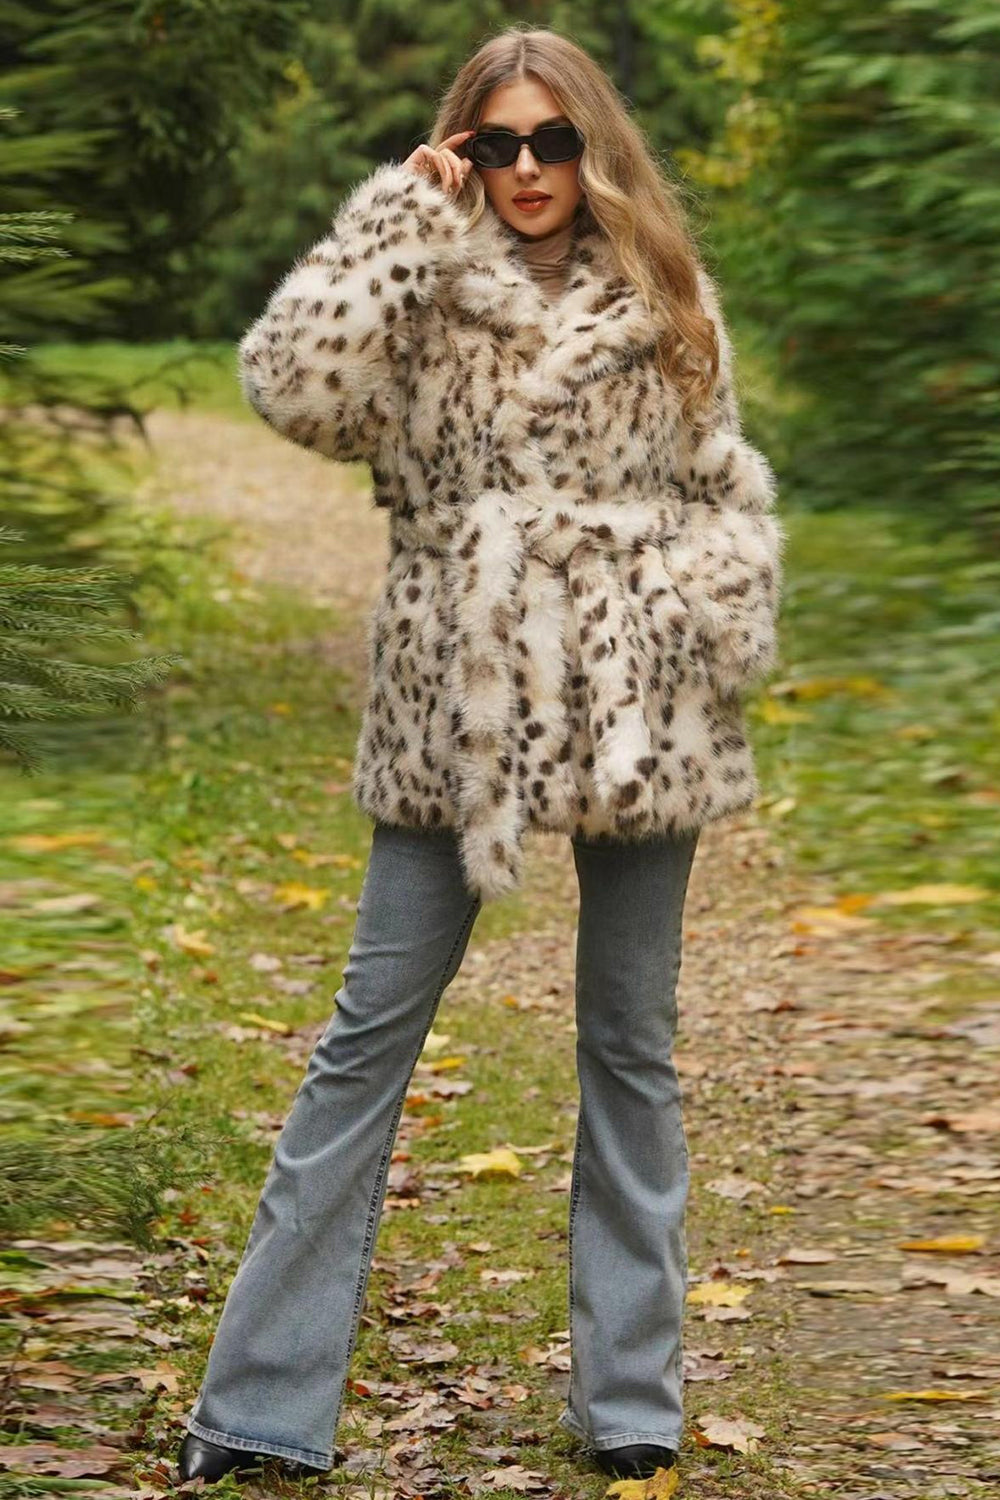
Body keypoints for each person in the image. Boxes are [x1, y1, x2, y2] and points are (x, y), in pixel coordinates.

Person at [178, 23, 784, 1488]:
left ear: (593, 148)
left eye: (553, 142)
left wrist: (694, 607)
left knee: (631, 1051)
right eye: (499, 143)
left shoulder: (665, 295)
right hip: (459, 695)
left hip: (641, 703)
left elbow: (726, 488)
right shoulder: (418, 290)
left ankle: (631, 1403)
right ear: (466, 147)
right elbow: (290, 386)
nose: (527, 170)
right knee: (363, 1040)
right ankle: (260, 1406)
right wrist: (390, 220)